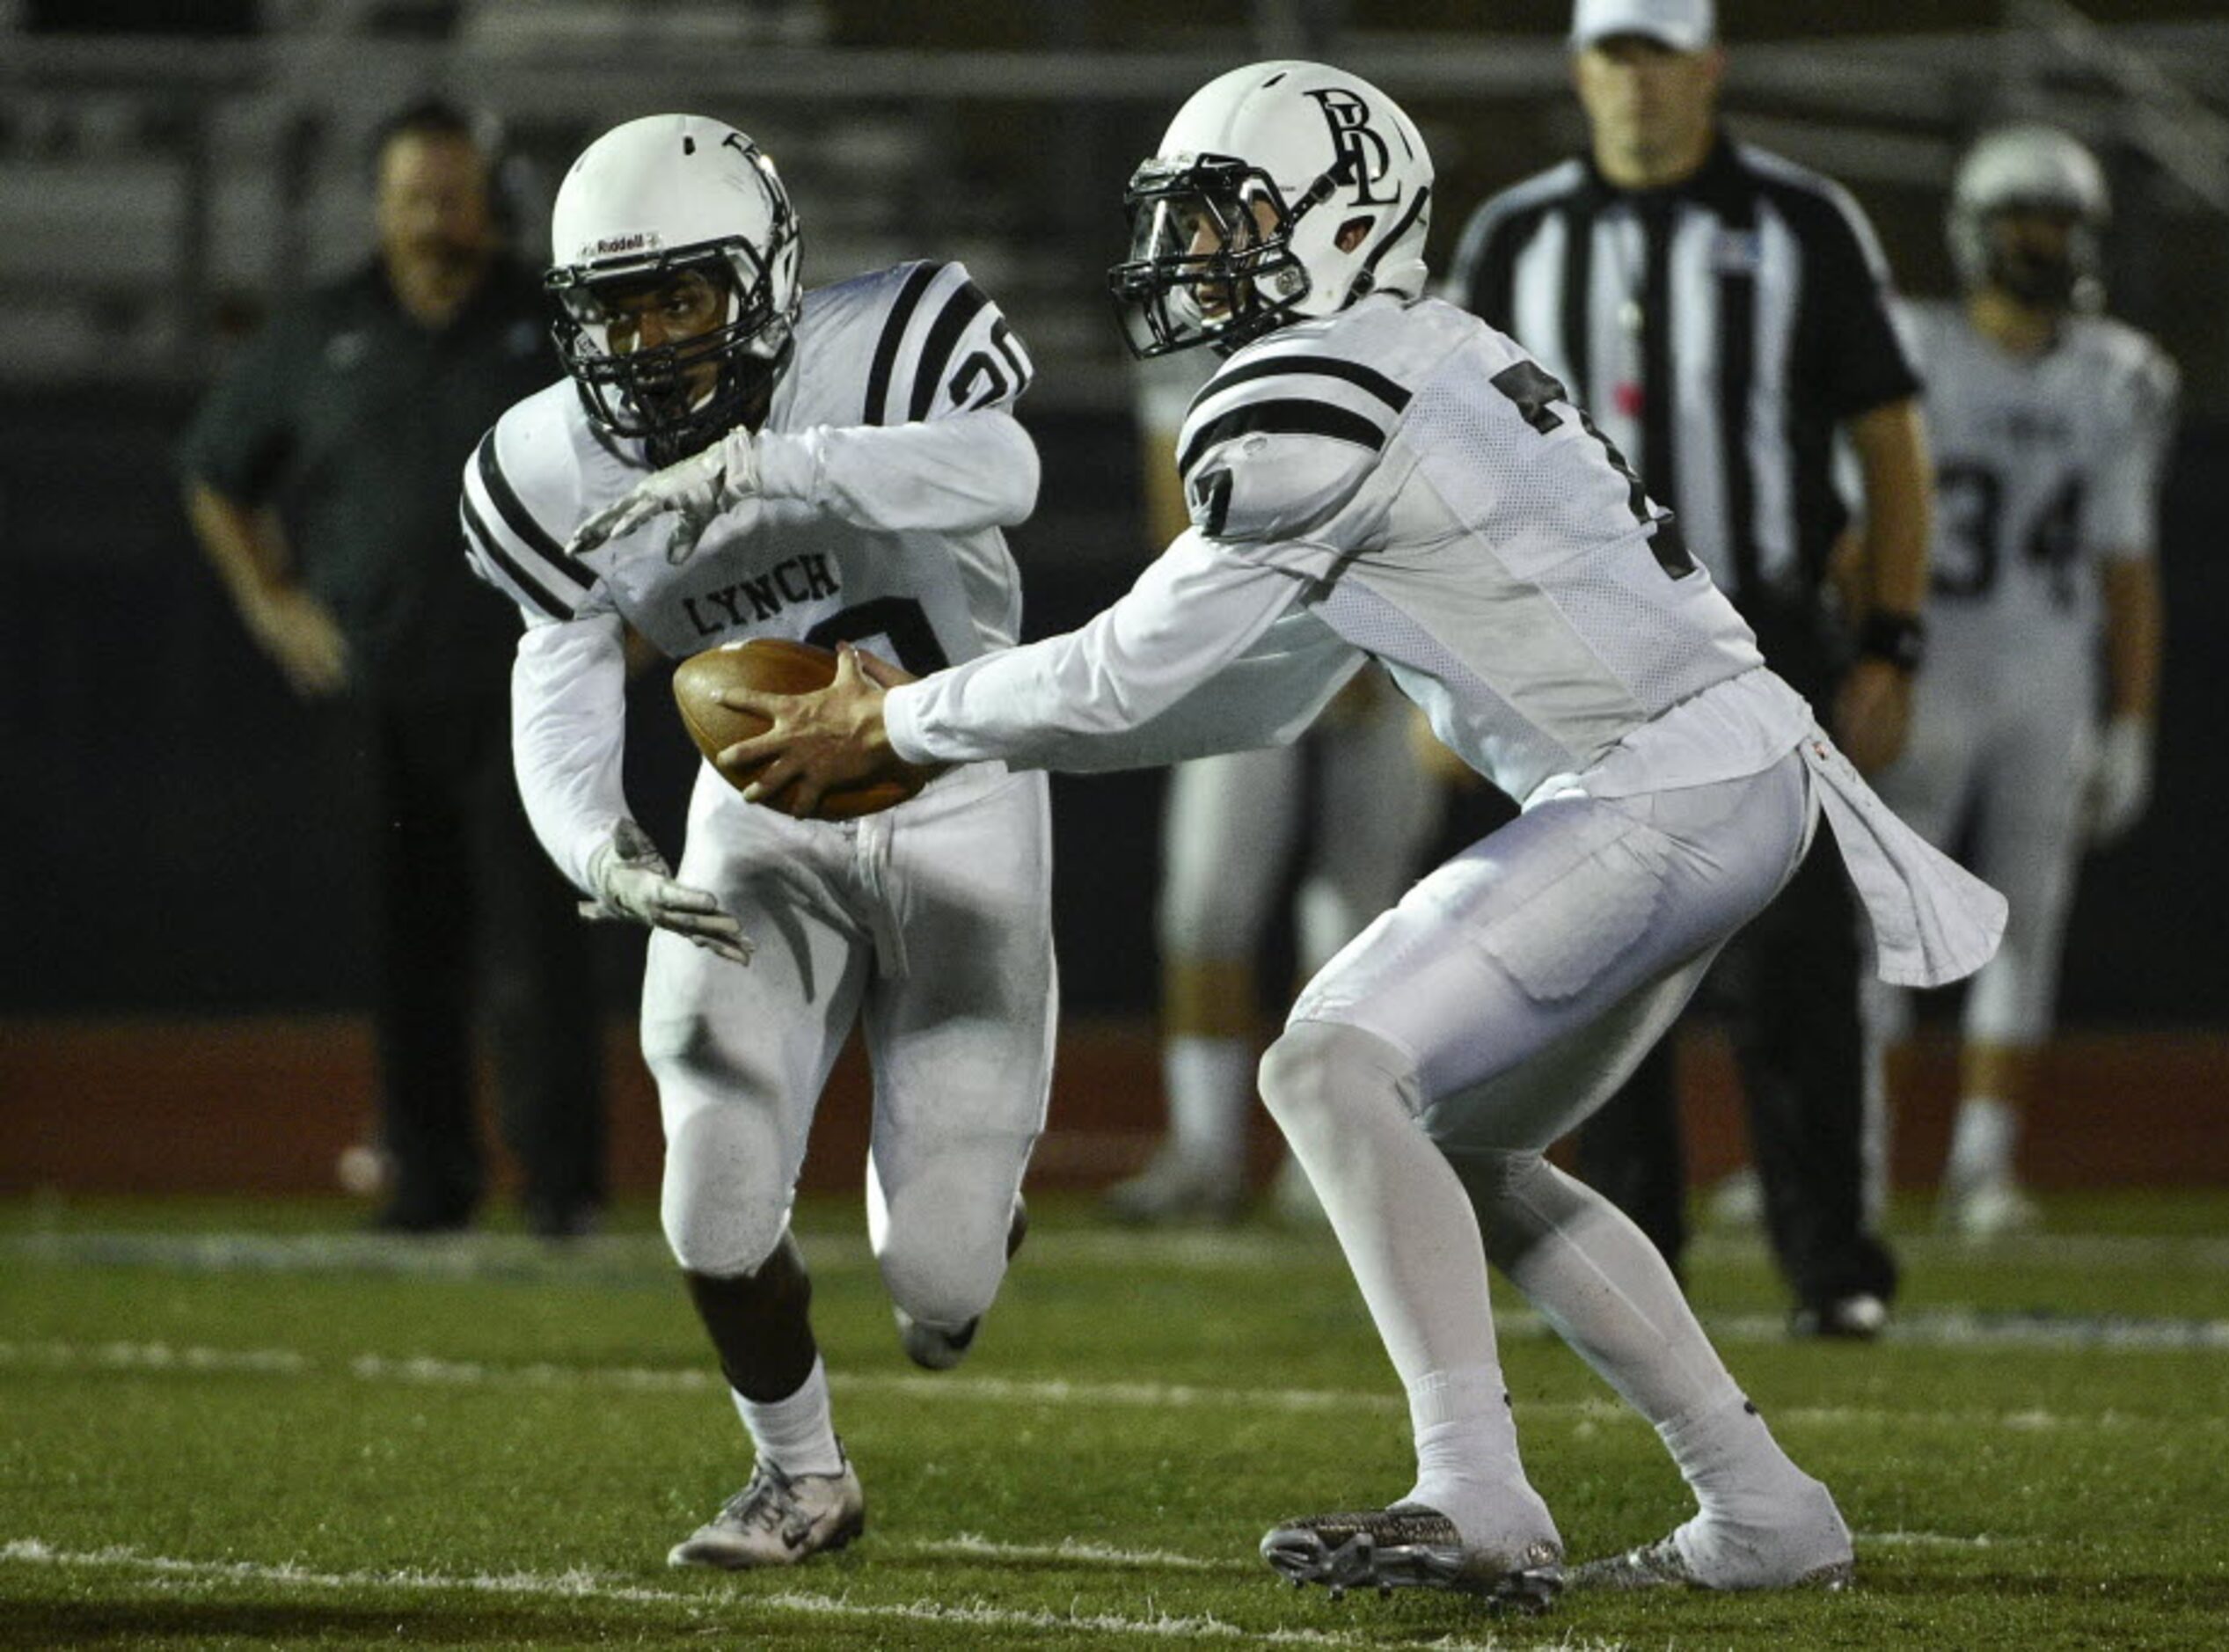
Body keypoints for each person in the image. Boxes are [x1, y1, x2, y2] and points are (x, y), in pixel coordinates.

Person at [688, 61, 2001, 1605]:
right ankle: (1763, 1504)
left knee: (1325, 1063)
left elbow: (1124, 672)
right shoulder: (1412, 356)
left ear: (1347, 218)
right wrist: (938, 730)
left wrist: (894, 720)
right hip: (1727, 770)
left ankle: (1478, 1489)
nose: (1196, 256)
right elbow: (1246, 699)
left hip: (1663, 779)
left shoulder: (1312, 390)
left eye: (1232, 216)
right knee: (1471, 1141)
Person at [457, 113, 1054, 1567]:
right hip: (765, 812)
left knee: (937, 1281)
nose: (648, 342)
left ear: (769, 277)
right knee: (714, 1188)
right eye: (615, 309)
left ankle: (966, 1226)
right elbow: (562, 660)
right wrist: (598, 844)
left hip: (959, 777)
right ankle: (800, 1473)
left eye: (680, 297)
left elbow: (1002, 472)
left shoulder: (888, 339)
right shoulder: (547, 461)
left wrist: (777, 473)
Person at [1445, 0, 1934, 1336]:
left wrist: (1891, 634)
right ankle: (1624, 1254)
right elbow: (1450, 462)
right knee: (1591, 963)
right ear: (1579, 68)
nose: (1638, 82)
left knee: (1796, 970)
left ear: (1710, 66)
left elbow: (1890, 441)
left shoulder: (1803, 221)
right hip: (1573, 646)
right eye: (1616, 53)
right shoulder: (1515, 236)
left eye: (1661, 53)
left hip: (1763, 633)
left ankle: (1831, 1265)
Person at [180, 98, 606, 1238]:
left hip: (532, 684)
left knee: (540, 944)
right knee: (405, 943)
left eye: (453, 197)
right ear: (378, 204)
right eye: (415, 198)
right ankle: (430, 1179)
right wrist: (273, 603)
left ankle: (561, 1185)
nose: (434, 219)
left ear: (487, 202)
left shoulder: (551, 320)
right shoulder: (319, 329)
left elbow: (640, 458)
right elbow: (217, 470)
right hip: (378, 688)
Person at [1862, 126, 2176, 1239]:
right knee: (1890, 922)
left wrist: (2133, 717)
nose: (2042, 244)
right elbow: (1865, 530)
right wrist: (1865, 657)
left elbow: (2127, 566)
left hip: (2050, 673)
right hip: (1934, 663)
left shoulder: (2119, 373)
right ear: (1975, 234)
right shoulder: (1912, 346)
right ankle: (1856, 1156)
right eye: (2022, 222)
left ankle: (1983, 1167)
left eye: (2059, 223)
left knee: (2026, 923)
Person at [1107, 352, 1445, 1225]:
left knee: (1358, 910)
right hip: (1243, 638)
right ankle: (1206, 1153)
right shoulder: (1191, 342)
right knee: (1207, 904)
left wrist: (1362, 635)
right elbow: (1176, 520)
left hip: (1396, 635)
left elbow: (1436, 509)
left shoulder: (1406, 328)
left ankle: (1326, 1152)